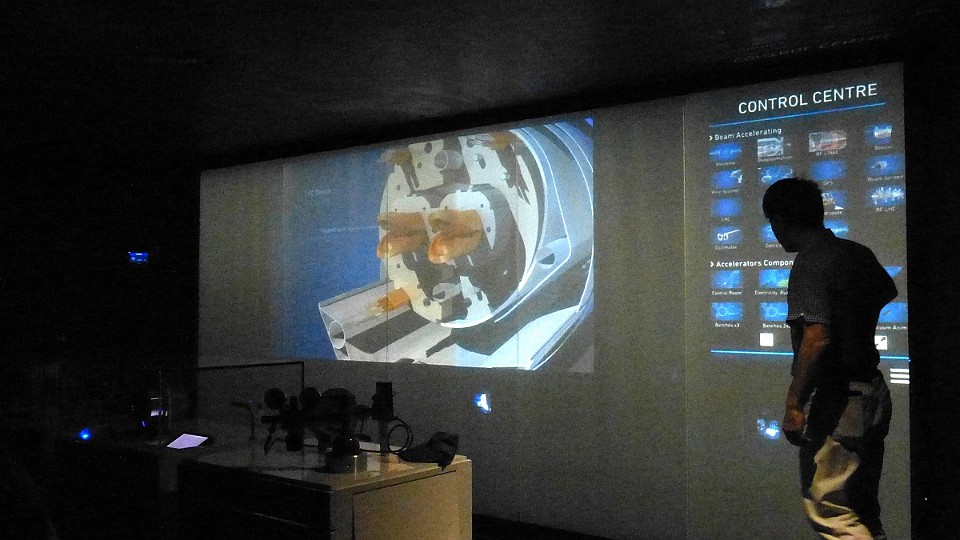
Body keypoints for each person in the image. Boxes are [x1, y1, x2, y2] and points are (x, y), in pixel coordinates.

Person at [762, 177, 896, 540]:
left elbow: (817, 337)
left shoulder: (810, 262)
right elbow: (886, 290)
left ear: (779, 220)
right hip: (872, 393)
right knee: (862, 507)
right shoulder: (855, 252)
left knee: (831, 511)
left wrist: (794, 404)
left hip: (838, 400)